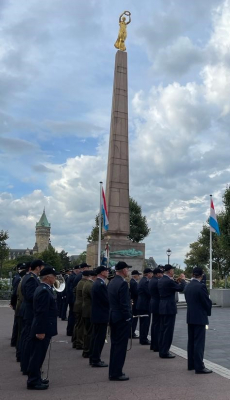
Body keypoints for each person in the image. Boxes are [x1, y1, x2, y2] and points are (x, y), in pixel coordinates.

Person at [27, 267, 58, 390]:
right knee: (37, 355)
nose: (55, 278)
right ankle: (33, 381)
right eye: (53, 276)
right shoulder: (44, 291)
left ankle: (37, 378)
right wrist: (40, 331)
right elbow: (41, 312)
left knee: (39, 355)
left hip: (44, 327)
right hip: (42, 328)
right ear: (47, 277)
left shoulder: (44, 289)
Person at [184, 267, 212, 374]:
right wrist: (208, 311)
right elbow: (206, 302)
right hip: (199, 317)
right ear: (202, 275)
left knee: (191, 341)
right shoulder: (201, 286)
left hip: (190, 316)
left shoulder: (188, 286)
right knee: (199, 342)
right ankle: (199, 366)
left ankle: (191, 364)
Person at [108, 261, 132, 381]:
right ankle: (117, 372)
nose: (128, 271)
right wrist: (128, 317)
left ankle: (113, 371)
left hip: (113, 315)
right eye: (127, 269)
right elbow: (124, 304)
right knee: (121, 346)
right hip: (121, 318)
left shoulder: (112, 281)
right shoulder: (122, 283)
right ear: (123, 270)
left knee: (115, 345)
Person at [20, 259, 45, 375]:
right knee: (29, 340)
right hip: (30, 312)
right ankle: (27, 367)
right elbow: (31, 296)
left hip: (28, 311)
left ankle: (27, 366)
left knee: (28, 339)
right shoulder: (31, 279)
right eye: (42, 267)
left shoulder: (30, 277)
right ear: (38, 267)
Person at [158, 264, 186, 359]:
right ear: (169, 271)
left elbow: (171, 287)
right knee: (168, 331)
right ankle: (165, 351)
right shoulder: (168, 281)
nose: (173, 272)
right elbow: (181, 288)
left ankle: (161, 349)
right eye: (172, 271)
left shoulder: (161, 279)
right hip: (169, 307)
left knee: (162, 329)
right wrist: (182, 279)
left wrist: (176, 282)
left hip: (162, 306)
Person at [90, 266, 110, 367]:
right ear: (102, 272)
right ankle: (96, 359)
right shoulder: (101, 284)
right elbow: (106, 300)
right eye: (106, 271)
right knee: (99, 338)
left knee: (95, 337)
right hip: (101, 314)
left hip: (97, 314)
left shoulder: (97, 283)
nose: (108, 272)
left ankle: (93, 357)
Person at [10, 263, 26, 347]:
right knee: (17, 323)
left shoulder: (17, 277)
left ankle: (14, 340)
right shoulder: (18, 278)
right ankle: (14, 341)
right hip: (18, 302)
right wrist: (13, 303)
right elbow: (15, 292)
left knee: (17, 322)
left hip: (17, 302)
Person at [72, 270, 89, 349]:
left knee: (78, 325)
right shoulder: (84, 283)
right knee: (81, 326)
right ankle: (79, 342)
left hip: (78, 305)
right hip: (81, 306)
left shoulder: (80, 282)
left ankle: (76, 341)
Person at [82, 270, 97, 358]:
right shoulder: (90, 285)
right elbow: (94, 297)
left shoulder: (87, 283)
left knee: (87, 331)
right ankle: (87, 350)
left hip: (86, 310)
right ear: (94, 277)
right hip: (89, 311)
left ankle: (86, 349)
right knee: (89, 332)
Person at [136, 268, 153, 345]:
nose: (152, 275)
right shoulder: (145, 282)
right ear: (148, 274)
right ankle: (143, 339)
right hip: (145, 304)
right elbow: (149, 293)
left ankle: (143, 338)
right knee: (145, 323)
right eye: (151, 273)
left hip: (142, 304)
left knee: (143, 323)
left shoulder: (142, 280)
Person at [149, 267, 163, 352]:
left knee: (154, 324)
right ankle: (156, 345)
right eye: (161, 274)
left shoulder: (152, 281)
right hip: (157, 304)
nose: (162, 275)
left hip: (153, 302)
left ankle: (153, 344)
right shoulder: (157, 281)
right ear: (157, 274)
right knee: (157, 325)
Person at [129, 270, 142, 339]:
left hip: (134, 301)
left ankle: (132, 331)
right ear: (135, 275)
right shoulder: (133, 282)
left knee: (134, 317)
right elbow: (136, 292)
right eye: (138, 275)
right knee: (134, 317)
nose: (139, 276)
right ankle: (132, 332)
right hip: (135, 301)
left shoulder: (133, 282)